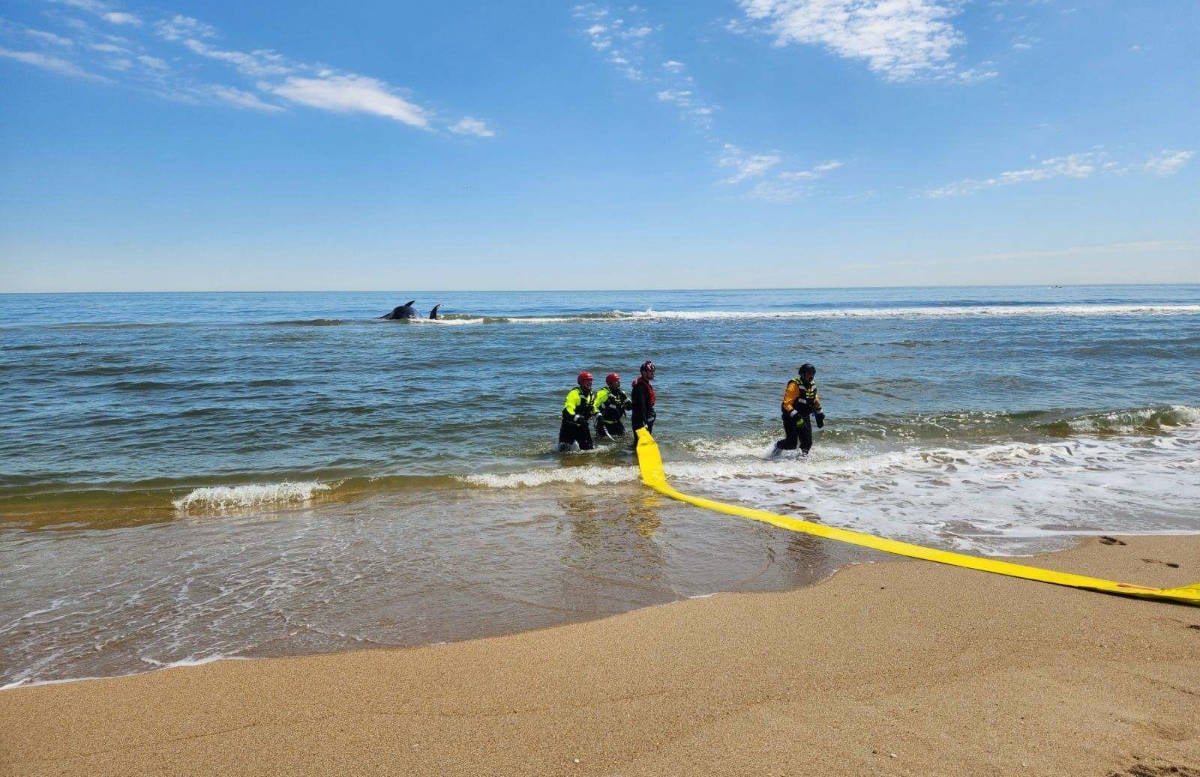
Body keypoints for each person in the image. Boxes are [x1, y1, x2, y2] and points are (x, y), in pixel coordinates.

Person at [773, 362, 825, 456]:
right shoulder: (794, 384)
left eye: (813, 374)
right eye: (809, 373)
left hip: (804, 416)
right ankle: (777, 448)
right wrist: (796, 417)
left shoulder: (812, 385)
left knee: (807, 443)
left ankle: (801, 461)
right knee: (791, 444)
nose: (811, 376)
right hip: (791, 417)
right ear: (803, 374)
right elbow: (786, 404)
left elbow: (815, 400)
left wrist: (820, 414)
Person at [558, 371, 597, 451]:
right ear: (581, 382)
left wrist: (597, 413)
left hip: (583, 426)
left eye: (590, 381)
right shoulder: (574, 394)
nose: (589, 382)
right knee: (563, 452)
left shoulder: (591, 394)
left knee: (589, 450)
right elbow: (568, 408)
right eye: (587, 381)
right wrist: (576, 417)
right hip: (569, 426)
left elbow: (593, 407)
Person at [593, 372, 632, 440]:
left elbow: (629, 408)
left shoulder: (620, 393)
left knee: (625, 440)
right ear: (610, 383)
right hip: (604, 424)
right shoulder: (603, 393)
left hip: (617, 423)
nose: (619, 382)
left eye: (618, 380)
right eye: (616, 381)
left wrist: (627, 400)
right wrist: (598, 414)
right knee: (601, 442)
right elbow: (594, 405)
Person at [630, 360, 656, 447]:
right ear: (644, 373)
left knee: (642, 440)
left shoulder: (644, 383)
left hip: (646, 416)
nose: (653, 373)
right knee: (639, 442)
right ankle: (636, 457)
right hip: (640, 419)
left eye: (653, 371)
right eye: (650, 372)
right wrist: (644, 421)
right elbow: (641, 405)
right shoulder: (640, 387)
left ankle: (634, 458)